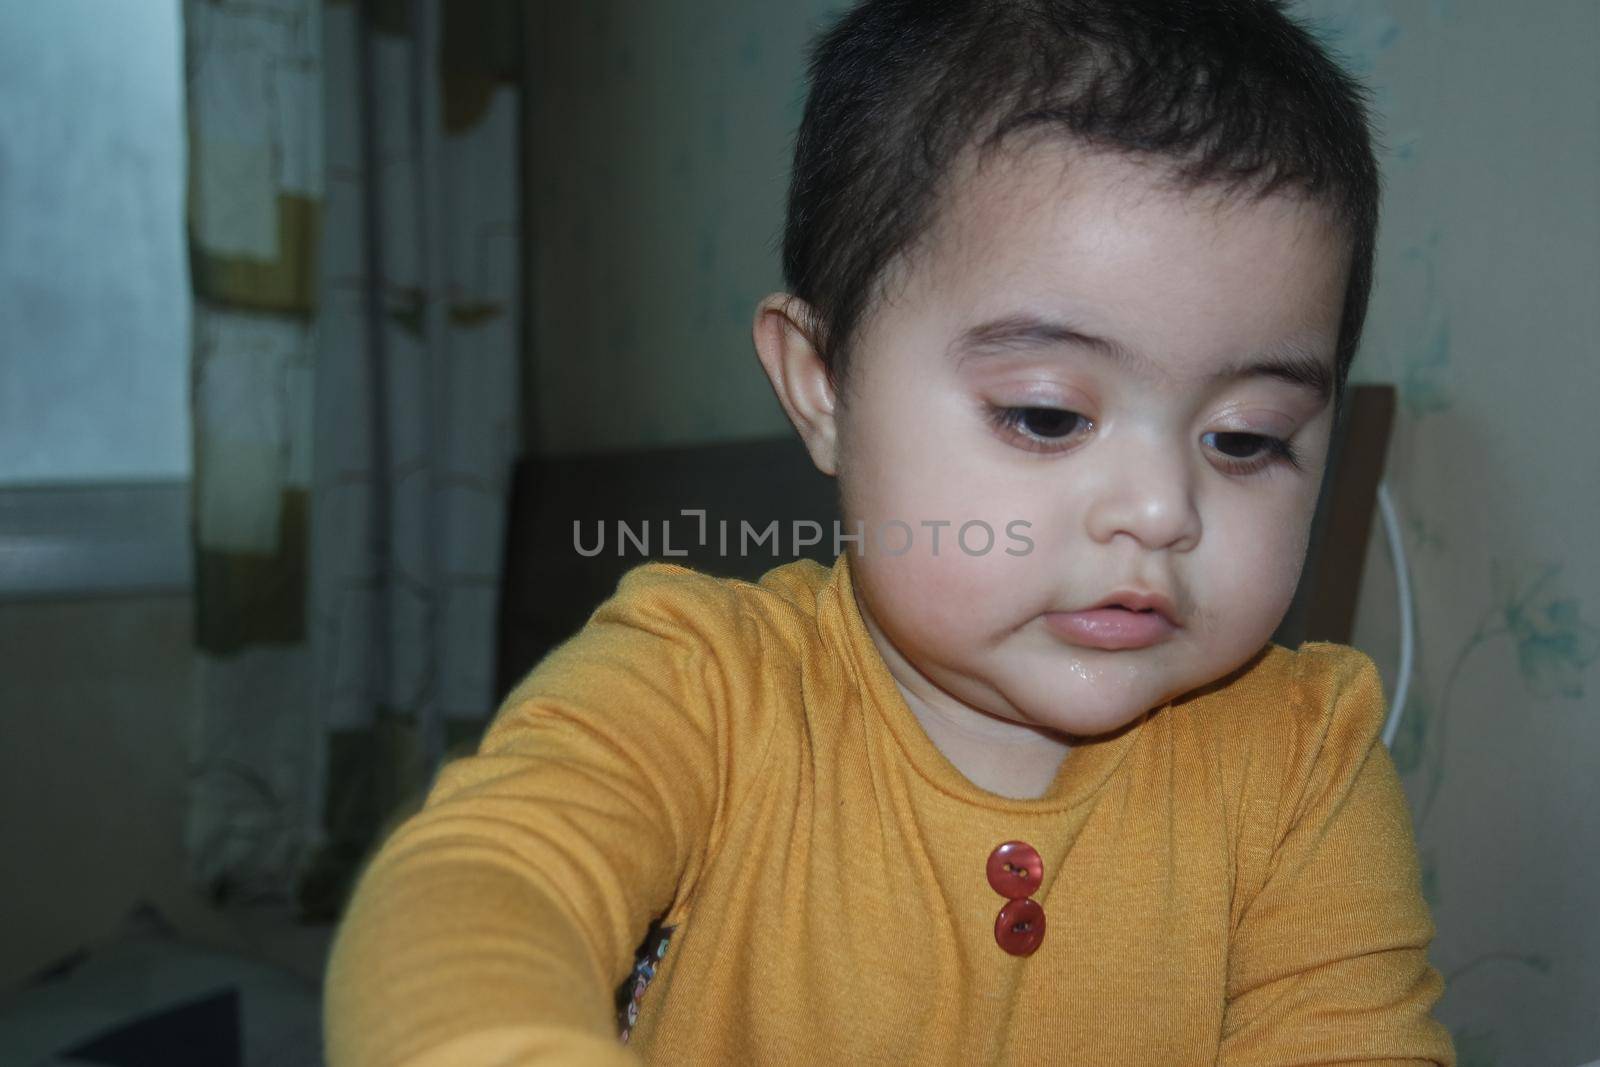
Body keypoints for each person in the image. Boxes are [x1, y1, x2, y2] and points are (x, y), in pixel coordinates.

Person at [325, 1, 1456, 1063]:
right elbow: (476, 890)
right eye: (1047, 415)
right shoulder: (697, 685)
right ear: (823, 387)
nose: (1162, 509)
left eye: (1247, 439)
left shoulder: (1304, 758)